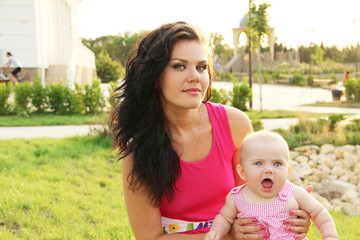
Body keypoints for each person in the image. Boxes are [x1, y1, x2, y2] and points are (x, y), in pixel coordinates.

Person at [111, 21, 311, 240]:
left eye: (201, 67)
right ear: (155, 77)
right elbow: (150, 237)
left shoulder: (235, 124)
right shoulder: (138, 151)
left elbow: (258, 200)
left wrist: (292, 216)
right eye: (179, 66)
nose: (195, 77)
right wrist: (228, 235)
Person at [205, 130, 338, 240]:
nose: (269, 169)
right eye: (258, 163)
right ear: (243, 172)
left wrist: (330, 236)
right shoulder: (237, 197)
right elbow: (224, 218)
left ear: (288, 171)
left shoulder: (294, 193)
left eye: (277, 164)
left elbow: (319, 212)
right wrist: (216, 231)